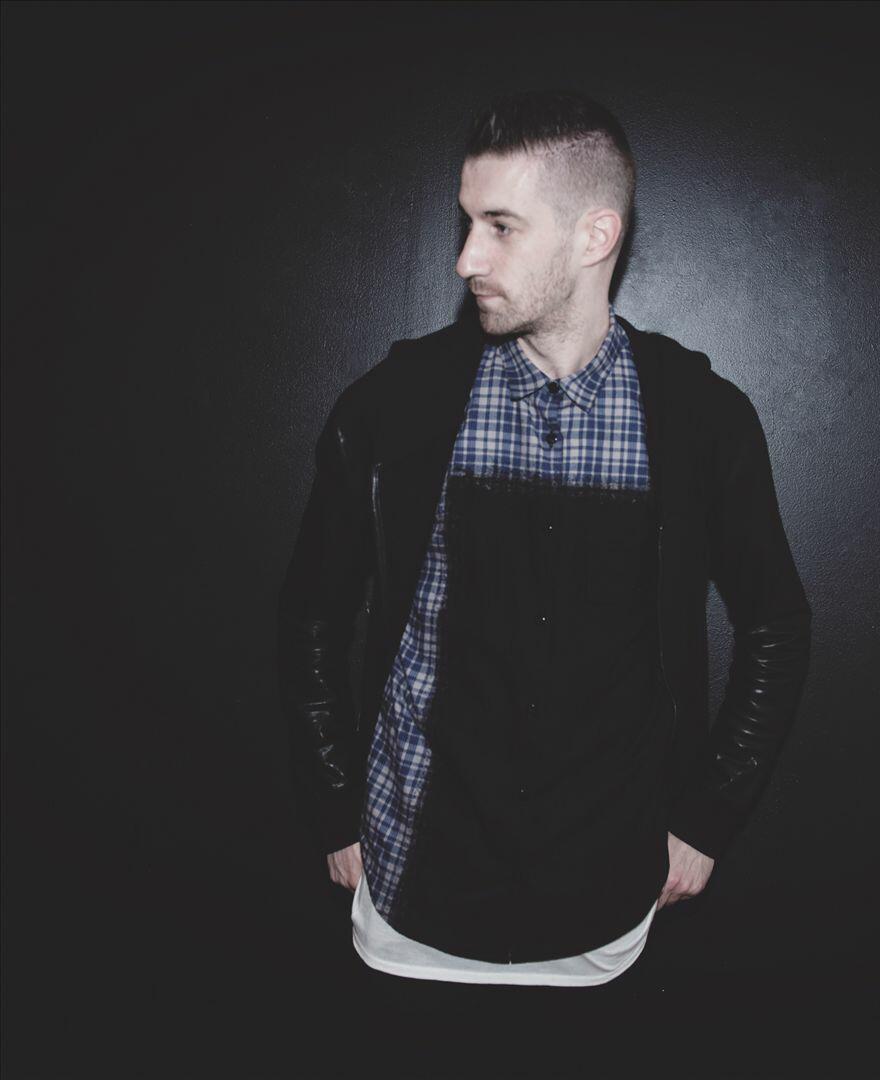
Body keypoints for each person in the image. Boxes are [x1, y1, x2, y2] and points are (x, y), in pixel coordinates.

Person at [277, 88, 812, 1053]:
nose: (465, 258)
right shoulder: (396, 404)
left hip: (604, 913)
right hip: (408, 897)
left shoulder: (698, 418)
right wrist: (332, 809)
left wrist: (709, 817)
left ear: (594, 234)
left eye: (500, 226)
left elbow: (775, 622)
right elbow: (312, 614)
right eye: (465, 223)